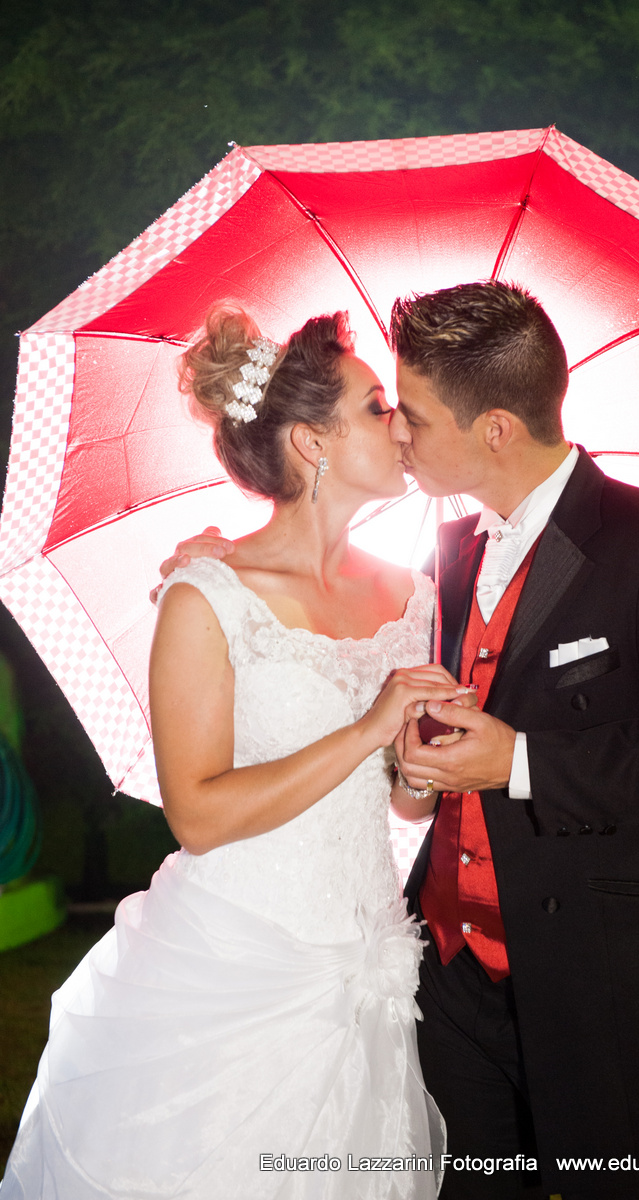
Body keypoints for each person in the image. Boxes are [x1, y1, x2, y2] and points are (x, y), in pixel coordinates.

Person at [164, 282, 639, 1200]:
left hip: (608, 985)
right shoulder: (441, 564)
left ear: (493, 427)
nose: (399, 432)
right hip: (442, 986)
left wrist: (520, 763)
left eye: (406, 413)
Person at [1, 308, 461, 1199]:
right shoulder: (206, 595)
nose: (401, 426)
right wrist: (366, 728)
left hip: (364, 969)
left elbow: (405, 807)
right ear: (309, 442)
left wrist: (415, 758)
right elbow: (200, 815)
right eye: (376, 408)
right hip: (230, 973)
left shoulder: (418, 595)